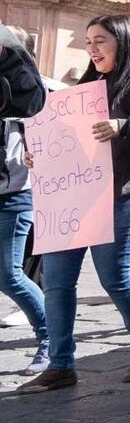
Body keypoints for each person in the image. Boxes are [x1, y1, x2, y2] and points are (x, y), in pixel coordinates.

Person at [18, 15, 130, 394]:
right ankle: (61, 365)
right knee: (58, 283)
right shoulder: (86, 85)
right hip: (73, 196)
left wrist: (124, 125)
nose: (92, 49)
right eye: (88, 41)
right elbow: (65, 138)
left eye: (100, 41)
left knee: (114, 278)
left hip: (123, 194)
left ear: (121, 42)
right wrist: (38, 156)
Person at [0, 26, 47, 373]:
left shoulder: (25, 87)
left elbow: (32, 103)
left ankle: (52, 339)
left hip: (13, 196)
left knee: (9, 275)